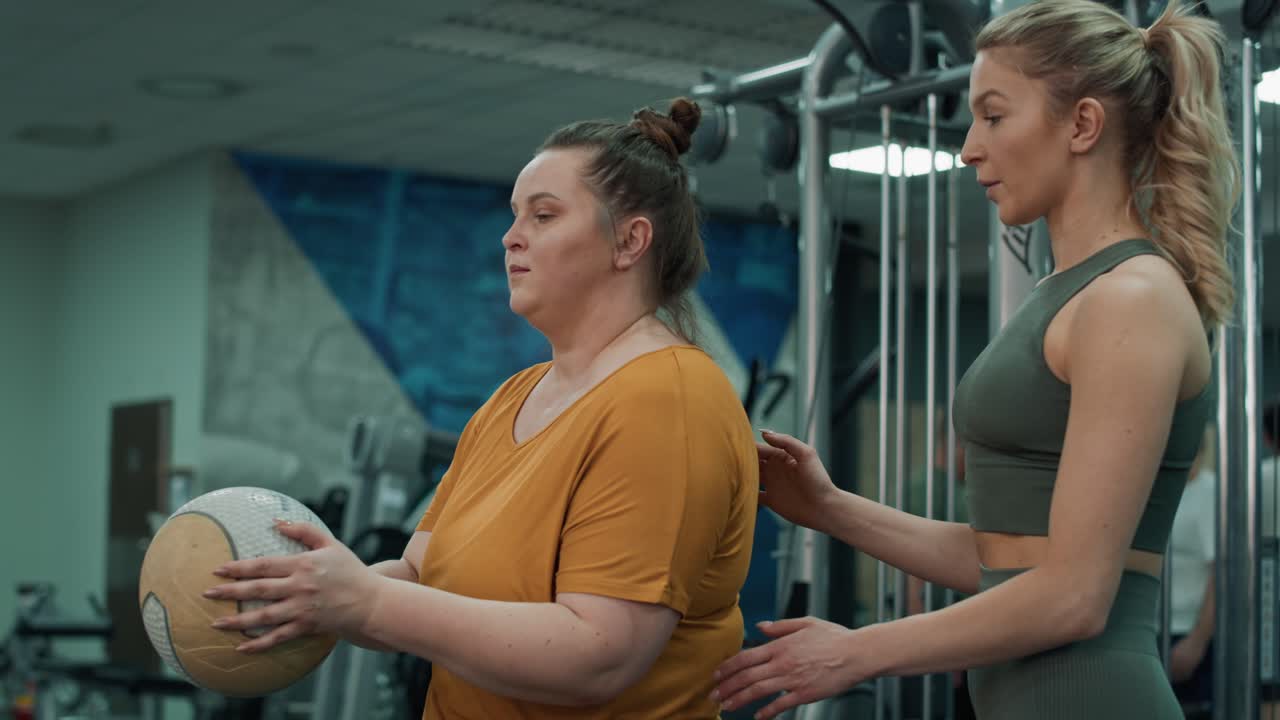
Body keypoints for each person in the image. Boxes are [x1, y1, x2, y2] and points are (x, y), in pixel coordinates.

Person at [710, 1, 1235, 718]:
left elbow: (1076, 597)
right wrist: (832, 509)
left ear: (1082, 125)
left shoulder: (1131, 299)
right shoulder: (1069, 295)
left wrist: (856, 650)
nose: (967, 148)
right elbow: (1007, 562)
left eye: (993, 116)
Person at [202, 98, 760, 718]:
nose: (511, 236)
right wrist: (309, 595)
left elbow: (600, 653)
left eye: (543, 215)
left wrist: (365, 603)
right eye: (515, 215)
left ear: (629, 241)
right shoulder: (512, 398)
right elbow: (420, 575)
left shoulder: (668, 400)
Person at [1166, 430, 1216, 717]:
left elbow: (1220, 574)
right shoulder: (1167, 492)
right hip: (1157, 629)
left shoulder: (1209, 493)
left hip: (1189, 634)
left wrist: (1197, 640)